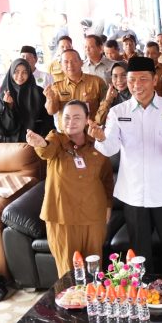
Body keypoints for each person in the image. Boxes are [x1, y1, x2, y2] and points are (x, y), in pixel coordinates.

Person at [91, 57, 162, 274]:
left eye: (143, 79)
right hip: (134, 195)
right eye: (131, 80)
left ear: (155, 80)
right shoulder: (118, 112)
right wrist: (100, 138)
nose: (136, 85)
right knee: (139, 256)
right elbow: (110, 149)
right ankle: (145, 293)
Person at [26, 100, 113, 278]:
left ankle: (94, 297)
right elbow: (46, 151)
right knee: (69, 273)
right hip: (62, 217)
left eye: (76, 117)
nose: (70, 122)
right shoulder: (55, 140)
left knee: (95, 271)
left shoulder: (97, 144)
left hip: (93, 216)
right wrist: (40, 143)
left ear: (87, 120)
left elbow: (107, 179)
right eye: (66, 117)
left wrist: (108, 206)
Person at [0, 58, 55, 142]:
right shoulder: (3, 94)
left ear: (29, 74)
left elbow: (47, 120)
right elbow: (2, 126)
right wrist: (9, 106)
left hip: (35, 141)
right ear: (11, 72)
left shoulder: (38, 92)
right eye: (16, 72)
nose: (20, 76)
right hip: (11, 144)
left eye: (24, 72)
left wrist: (42, 140)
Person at [44, 49, 107, 127]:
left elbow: (106, 106)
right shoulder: (57, 86)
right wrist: (50, 99)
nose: (70, 65)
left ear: (81, 63)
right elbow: (51, 111)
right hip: (67, 132)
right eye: (66, 62)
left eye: (74, 61)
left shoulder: (97, 82)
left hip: (90, 130)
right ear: (61, 65)